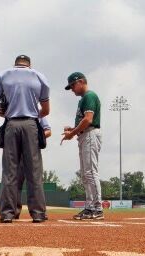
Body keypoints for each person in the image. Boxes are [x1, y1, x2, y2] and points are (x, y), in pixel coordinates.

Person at [0, 54, 50, 223]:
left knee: (10, 172)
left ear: (15, 64)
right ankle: (38, 213)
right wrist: (33, 114)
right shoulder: (39, 76)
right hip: (31, 124)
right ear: (29, 65)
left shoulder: (2, 76)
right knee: (34, 172)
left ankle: (7, 214)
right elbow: (45, 110)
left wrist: (6, 114)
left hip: (11, 125)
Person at [61, 72, 104, 220]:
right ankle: (89, 207)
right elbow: (83, 121)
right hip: (85, 135)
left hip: (90, 134)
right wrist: (72, 129)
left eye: (73, 85)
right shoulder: (83, 99)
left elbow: (88, 120)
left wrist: (72, 133)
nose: (72, 89)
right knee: (86, 174)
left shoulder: (89, 96)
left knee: (91, 172)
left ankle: (97, 208)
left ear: (80, 82)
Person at [14, 117, 51, 219]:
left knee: (35, 180)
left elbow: (48, 131)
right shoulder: (14, 111)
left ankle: (39, 211)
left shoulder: (38, 112)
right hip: (18, 152)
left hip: (32, 150)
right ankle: (14, 211)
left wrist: (33, 138)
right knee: (15, 182)